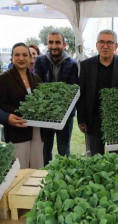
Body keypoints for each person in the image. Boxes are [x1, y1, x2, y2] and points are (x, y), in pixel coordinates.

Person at [77, 29, 118, 155]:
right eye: (101, 42)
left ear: (116, 46)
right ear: (97, 45)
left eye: (109, 42)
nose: (105, 46)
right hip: (94, 119)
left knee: (116, 158)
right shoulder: (87, 65)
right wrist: (81, 118)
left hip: (116, 121)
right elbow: (82, 93)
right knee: (95, 157)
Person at [0, 43, 44, 169]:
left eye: (24, 55)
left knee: (36, 166)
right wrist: (23, 112)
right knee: (19, 168)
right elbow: (1, 105)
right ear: (11, 57)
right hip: (17, 129)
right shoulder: (3, 79)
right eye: (17, 55)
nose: (21, 58)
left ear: (30, 58)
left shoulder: (36, 78)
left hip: (36, 130)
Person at [34, 31, 78, 166]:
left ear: (64, 45)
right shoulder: (40, 61)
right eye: (51, 42)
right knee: (45, 149)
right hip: (45, 115)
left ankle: (65, 175)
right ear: (47, 44)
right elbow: (37, 87)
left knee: (64, 149)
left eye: (57, 42)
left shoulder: (72, 64)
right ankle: (45, 176)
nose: (54, 46)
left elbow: (73, 91)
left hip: (66, 115)